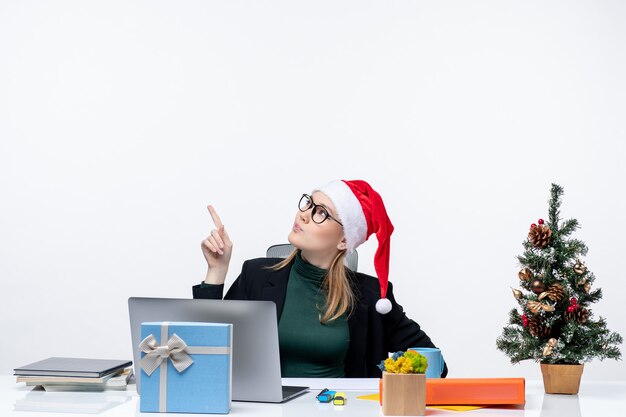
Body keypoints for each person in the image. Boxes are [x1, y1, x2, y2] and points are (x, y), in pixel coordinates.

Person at [192, 179, 448, 378]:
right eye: (308, 204)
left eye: (321, 213)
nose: (303, 215)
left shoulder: (372, 296)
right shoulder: (256, 276)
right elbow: (205, 354)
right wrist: (216, 270)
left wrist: (395, 383)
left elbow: (434, 364)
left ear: (344, 240)